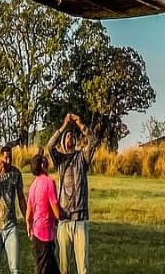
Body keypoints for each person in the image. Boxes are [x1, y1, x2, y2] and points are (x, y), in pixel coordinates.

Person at [47, 113, 96, 274]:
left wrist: (80, 125)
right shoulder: (60, 160)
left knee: (83, 266)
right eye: (67, 136)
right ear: (63, 142)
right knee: (64, 266)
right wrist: (64, 125)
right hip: (64, 219)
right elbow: (49, 146)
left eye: (72, 136)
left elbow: (93, 141)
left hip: (80, 219)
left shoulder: (82, 158)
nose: (70, 138)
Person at [0, 142, 27, 274]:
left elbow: (21, 197)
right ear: (0, 158)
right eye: (6, 158)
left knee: (15, 267)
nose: (8, 161)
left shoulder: (16, 173)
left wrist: (27, 218)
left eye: (10, 158)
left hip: (11, 225)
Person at [26, 152, 61, 274]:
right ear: (42, 165)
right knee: (43, 270)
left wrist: (30, 229)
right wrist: (67, 214)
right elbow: (57, 213)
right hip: (46, 235)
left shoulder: (33, 186)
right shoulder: (49, 182)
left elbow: (28, 216)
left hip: (36, 234)